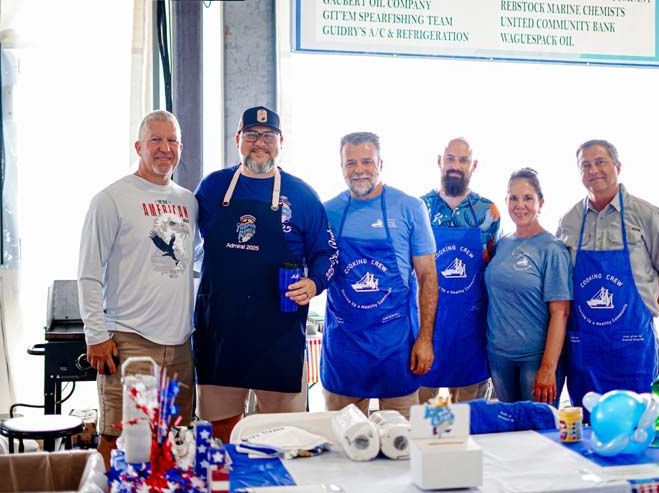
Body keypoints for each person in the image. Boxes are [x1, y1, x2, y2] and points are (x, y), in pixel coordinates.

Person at [193, 106, 337, 442]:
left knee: (280, 436)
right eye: (252, 135)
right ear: (238, 139)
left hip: (279, 334)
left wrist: (314, 283)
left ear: (281, 142)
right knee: (221, 431)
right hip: (220, 334)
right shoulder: (213, 188)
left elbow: (327, 252)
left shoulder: (301, 194)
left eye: (268, 135)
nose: (261, 143)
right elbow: (185, 245)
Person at [78, 110, 197, 467]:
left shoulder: (188, 201)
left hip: (179, 344)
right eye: (156, 140)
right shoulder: (111, 199)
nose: (165, 148)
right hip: (129, 338)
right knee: (119, 439)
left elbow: (194, 262)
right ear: (139, 146)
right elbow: (88, 271)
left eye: (172, 140)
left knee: (175, 439)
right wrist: (96, 334)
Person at [557, 139, 659, 410]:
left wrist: (642, 311)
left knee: (639, 422)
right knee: (586, 430)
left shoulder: (647, 215)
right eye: (585, 165)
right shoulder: (569, 219)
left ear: (618, 166)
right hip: (584, 349)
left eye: (600, 162)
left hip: (632, 347)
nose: (593, 170)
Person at [321, 131, 438, 418]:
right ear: (341, 167)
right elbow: (314, 270)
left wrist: (425, 339)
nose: (359, 170)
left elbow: (428, 278)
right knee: (344, 445)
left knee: (402, 447)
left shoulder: (410, 207)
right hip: (344, 349)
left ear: (381, 164)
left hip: (396, 348)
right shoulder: (327, 211)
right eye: (351, 163)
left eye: (366, 162)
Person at [417, 138, 500, 404]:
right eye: (450, 159)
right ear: (439, 161)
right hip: (426, 329)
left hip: (471, 333)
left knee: (467, 424)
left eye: (463, 160)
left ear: (473, 165)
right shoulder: (419, 208)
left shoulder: (489, 212)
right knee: (421, 420)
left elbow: (494, 270)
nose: (456, 166)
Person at [485, 169, 572, 406]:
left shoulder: (552, 249)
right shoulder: (501, 244)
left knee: (540, 436)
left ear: (540, 202)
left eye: (527, 198)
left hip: (535, 360)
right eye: (513, 198)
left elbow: (561, 313)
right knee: (511, 434)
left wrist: (548, 368)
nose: (519, 205)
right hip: (499, 357)